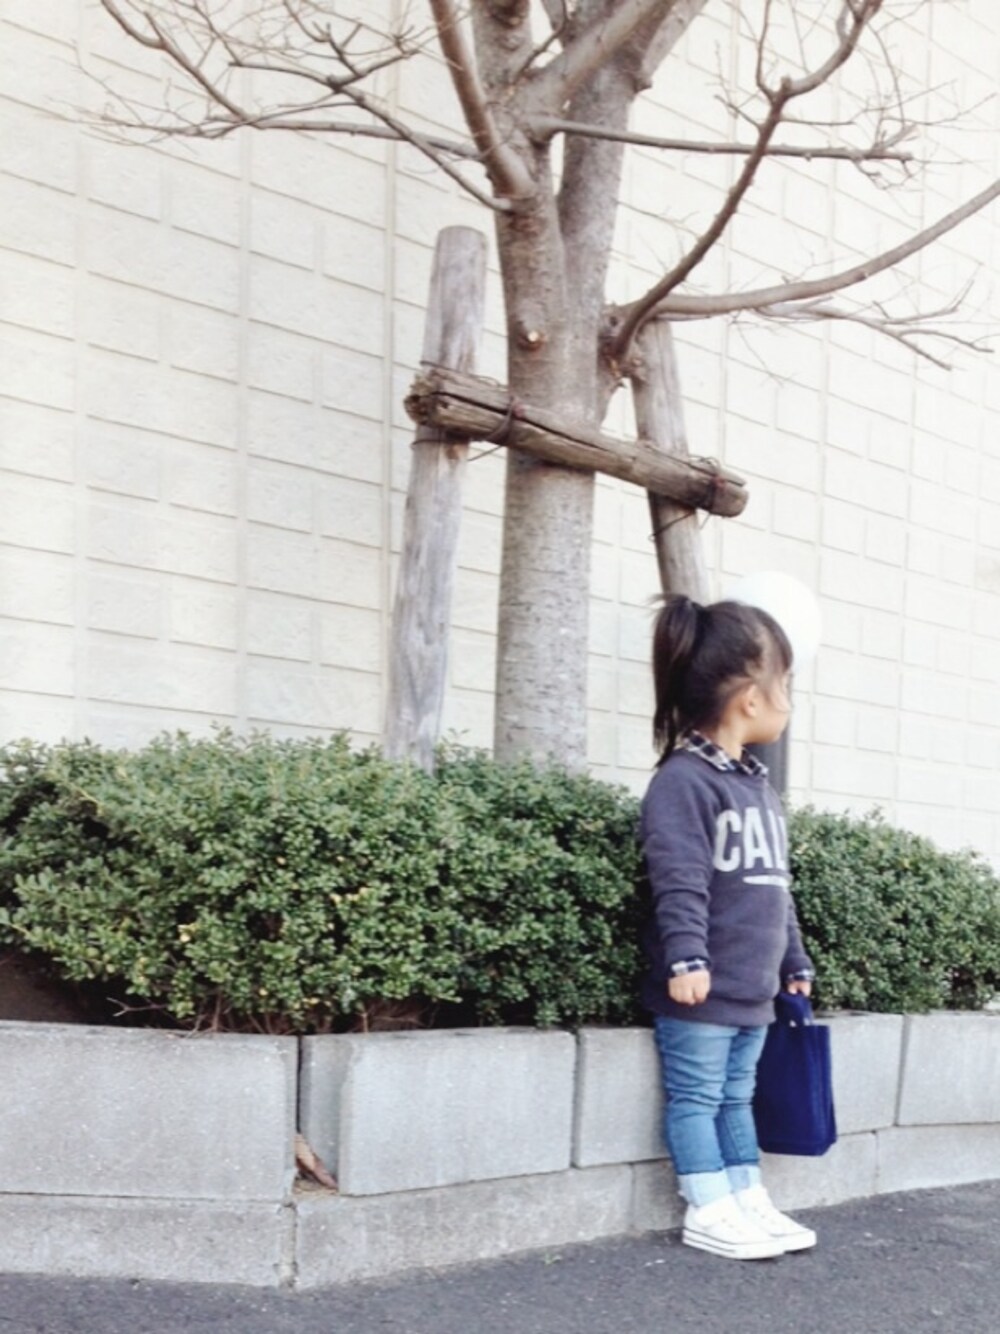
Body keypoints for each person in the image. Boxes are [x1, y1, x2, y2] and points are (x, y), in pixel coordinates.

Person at [640, 594, 817, 1261]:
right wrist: (686, 958)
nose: (789, 700)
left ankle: (747, 1197)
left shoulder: (756, 787)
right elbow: (678, 877)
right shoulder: (684, 783)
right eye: (785, 684)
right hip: (704, 988)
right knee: (697, 1097)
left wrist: (793, 961)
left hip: (752, 989)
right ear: (749, 698)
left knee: (737, 1097)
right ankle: (707, 1206)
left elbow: (775, 887)